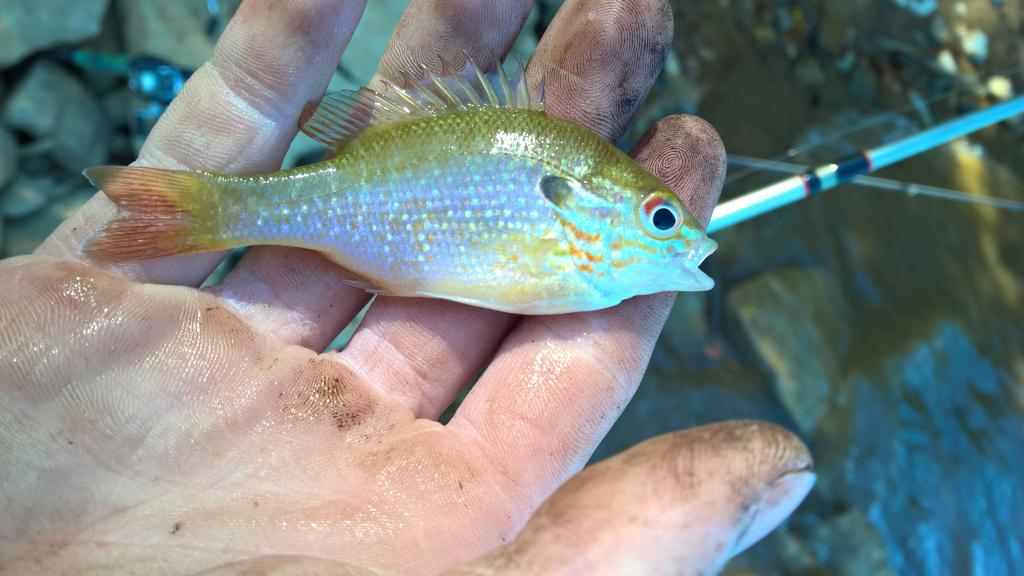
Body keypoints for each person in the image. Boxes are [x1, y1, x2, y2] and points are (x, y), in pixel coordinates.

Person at [0, 1, 814, 573]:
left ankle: (195, 213)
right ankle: (202, 213)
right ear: (584, 203)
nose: (684, 240)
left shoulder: (577, 254)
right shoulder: (569, 260)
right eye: (664, 221)